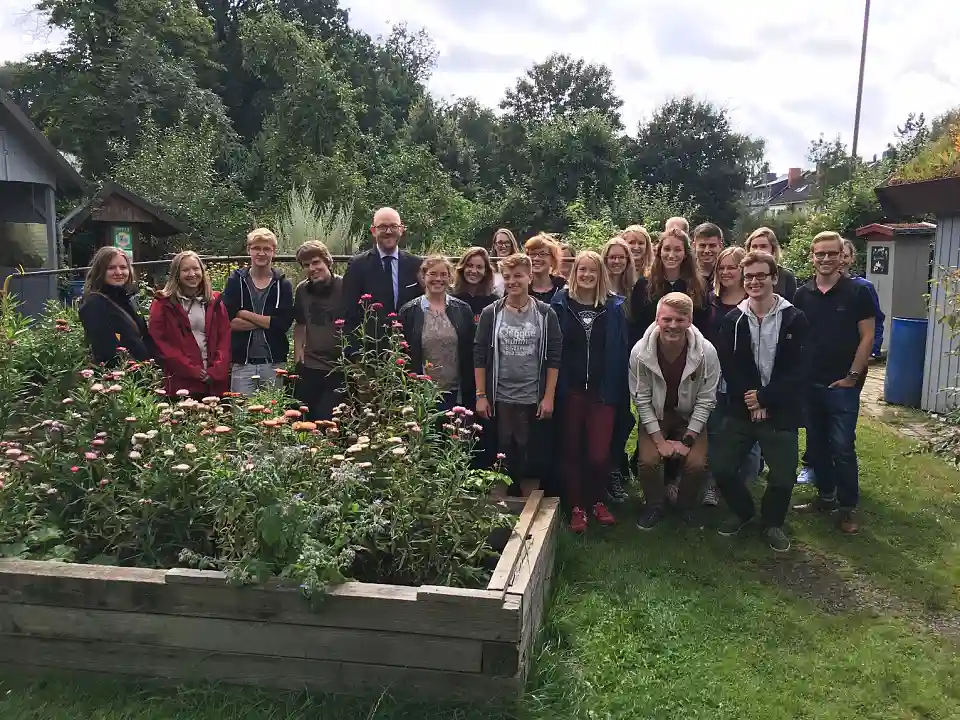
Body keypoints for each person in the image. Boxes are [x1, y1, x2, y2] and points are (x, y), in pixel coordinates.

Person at [713, 251, 809, 552]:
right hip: (742, 409)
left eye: (761, 276)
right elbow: (729, 364)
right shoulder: (733, 320)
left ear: (774, 279)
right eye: (749, 276)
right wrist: (751, 401)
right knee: (723, 468)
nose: (754, 281)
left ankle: (772, 523)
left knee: (782, 476)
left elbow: (800, 369)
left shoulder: (794, 318)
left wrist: (766, 398)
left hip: (781, 409)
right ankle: (743, 513)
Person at [792, 231, 876, 534]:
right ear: (812, 257)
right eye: (820, 254)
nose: (826, 259)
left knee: (842, 446)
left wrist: (852, 376)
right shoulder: (802, 295)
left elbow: (867, 336)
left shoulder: (858, 292)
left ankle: (847, 507)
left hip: (842, 384)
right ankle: (825, 497)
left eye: (832, 253)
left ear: (843, 256)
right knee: (817, 445)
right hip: (810, 383)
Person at [551, 251, 630, 531]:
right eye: (582, 270)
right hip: (570, 390)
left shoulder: (612, 307)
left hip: (602, 390)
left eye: (592, 271)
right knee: (571, 450)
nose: (586, 275)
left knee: (599, 454)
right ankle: (576, 507)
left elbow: (620, 351)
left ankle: (596, 500)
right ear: (575, 273)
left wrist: (619, 389)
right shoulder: (560, 304)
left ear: (600, 275)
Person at [474, 253, 562, 498]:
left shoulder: (545, 314)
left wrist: (549, 397)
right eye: (508, 277)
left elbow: (554, 357)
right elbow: (479, 354)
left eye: (518, 276)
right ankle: (502, 502)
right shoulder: (492, 313)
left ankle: (527, 504)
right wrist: (481, 394)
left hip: (532, 395)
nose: (513, 281)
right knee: (503, 448)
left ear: (530, 277)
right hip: (500, 396)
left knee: (529, 450)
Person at [630, 292, 720, 530]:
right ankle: (654, 506)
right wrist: (660, 442)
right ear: (657, 319)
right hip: (657, 415)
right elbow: (642, 401)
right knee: (648, 460)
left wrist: (687, 441)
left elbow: (706, 400)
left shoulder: (706, 353)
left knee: (697, 463)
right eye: (667, 319)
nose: (673, 325)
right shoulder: (640, 352)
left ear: (690, 320)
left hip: (690, 415)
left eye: (680, 320)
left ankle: (686, 506)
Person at [703, 246, 759, 508]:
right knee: (715, 431)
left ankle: (742, 487)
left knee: (747, 434)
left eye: (732, 267)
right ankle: (713, 484)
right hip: (713, 377)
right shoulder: (710, 300)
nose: (726, 272)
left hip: (746, 378)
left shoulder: (754, 301)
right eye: (721, 268)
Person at [148, 251, 231, 398]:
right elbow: (161, 343)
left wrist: (216, 370)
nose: (192, 274)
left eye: (196, 269)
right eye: (185, 270)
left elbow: (224, 339)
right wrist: (192, 370)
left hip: (214, 382)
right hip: (182, 383)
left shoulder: (214, 302)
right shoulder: (163, 304)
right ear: (176, 274)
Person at [223, 228, 295, 395]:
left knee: (274, 416)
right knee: (242, 417)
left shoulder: (283, 285)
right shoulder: (235, 281)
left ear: (273, 252)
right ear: (249, 250)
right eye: (256, 248)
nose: (261, 253)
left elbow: (282, 325)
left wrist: (244, 313)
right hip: (242, 364)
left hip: (274, 364)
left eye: (266, 249)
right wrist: (267, 322)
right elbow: (228, 321)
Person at [399, 256, 476, 410]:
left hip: (457, 394)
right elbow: (402, 353)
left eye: (443, 275)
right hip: (422, 394)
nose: (438, 279)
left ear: (450, 277)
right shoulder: (409, 311)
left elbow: (471, 350)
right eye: (432, 274)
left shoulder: (463, 310)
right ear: (423, 276)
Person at [341, 207, 423, 348]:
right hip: (372, 351)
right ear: (373, 231)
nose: (389, 231)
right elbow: (349, 312)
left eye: (393, 226)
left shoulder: (416, 264)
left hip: (409, 348)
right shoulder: (357, 265)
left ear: (401, 229)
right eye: (383, 227)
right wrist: (354, 354)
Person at [601, 236, 639, 503]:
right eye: (611, 257)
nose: (616, 261)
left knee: (623, 418)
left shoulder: (636, 291)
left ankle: (615, 466)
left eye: (621, 257)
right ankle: (603, 470)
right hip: (601, 365)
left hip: (628, 364)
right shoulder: (596, 289)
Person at [292, 241, 344, 421]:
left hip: (339, 366)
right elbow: (299, 323)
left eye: (316, 262)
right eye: (306, 265)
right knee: (304, 418)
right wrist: (298, 352)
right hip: (311, 365)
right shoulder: (302, 290)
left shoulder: (344, 287)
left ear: (327, 262)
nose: (312, 268)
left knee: (328, 418)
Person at [79, 246, 152, 365]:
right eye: (111, 268)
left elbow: (143, 335)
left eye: (123, 267)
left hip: (144, 371)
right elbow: (106, 351)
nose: (118, 272)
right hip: (121, 377)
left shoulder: (127, 299)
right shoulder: (95, 304)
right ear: (100, 271)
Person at [634, 228, 711, 334]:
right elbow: (637, 326)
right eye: (667, 249)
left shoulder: (698, 286)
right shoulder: (644, 285)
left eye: (677, 250)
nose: (671, 255)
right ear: (659, 251)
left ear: (685, 254)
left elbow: (703, 327)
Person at [842, 238, 885, 359]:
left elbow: (877, 320)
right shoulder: (815, 288)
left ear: (852, 259)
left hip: (855, 356)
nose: (841, 260)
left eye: (845, 256)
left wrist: (872, 350)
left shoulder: (864, 287)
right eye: (838, 255)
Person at [744, 227, 797, 301]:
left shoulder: (786, 276)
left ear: (773, 249)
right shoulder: (742, 275)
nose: (758, 250)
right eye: (754, 246)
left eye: (763, 246)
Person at [452, 247, 500, 321]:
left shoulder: (494, 302)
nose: (474, 271)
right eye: (469, 265)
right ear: (462, 268)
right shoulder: (451, 299)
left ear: (486, 271)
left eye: (479, 267)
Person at [525, 233, 567, 303]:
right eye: (532, 254)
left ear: (553, 258)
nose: (536, 258)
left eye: (542, 254)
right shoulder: (520, 285)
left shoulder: (562, 287)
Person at [693, 222, 723, 294]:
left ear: (720, 246)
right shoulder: (687, 273)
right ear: (694, 246)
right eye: (702, 246)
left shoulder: (726, 274)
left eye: (712, 245)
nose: (707, 251)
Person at [491, 228, 520, 295]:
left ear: (512, 244)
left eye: (507, 242)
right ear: (495, 245)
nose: (503, 246)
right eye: (500, 243)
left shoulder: (520, 267)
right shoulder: (488, 269)